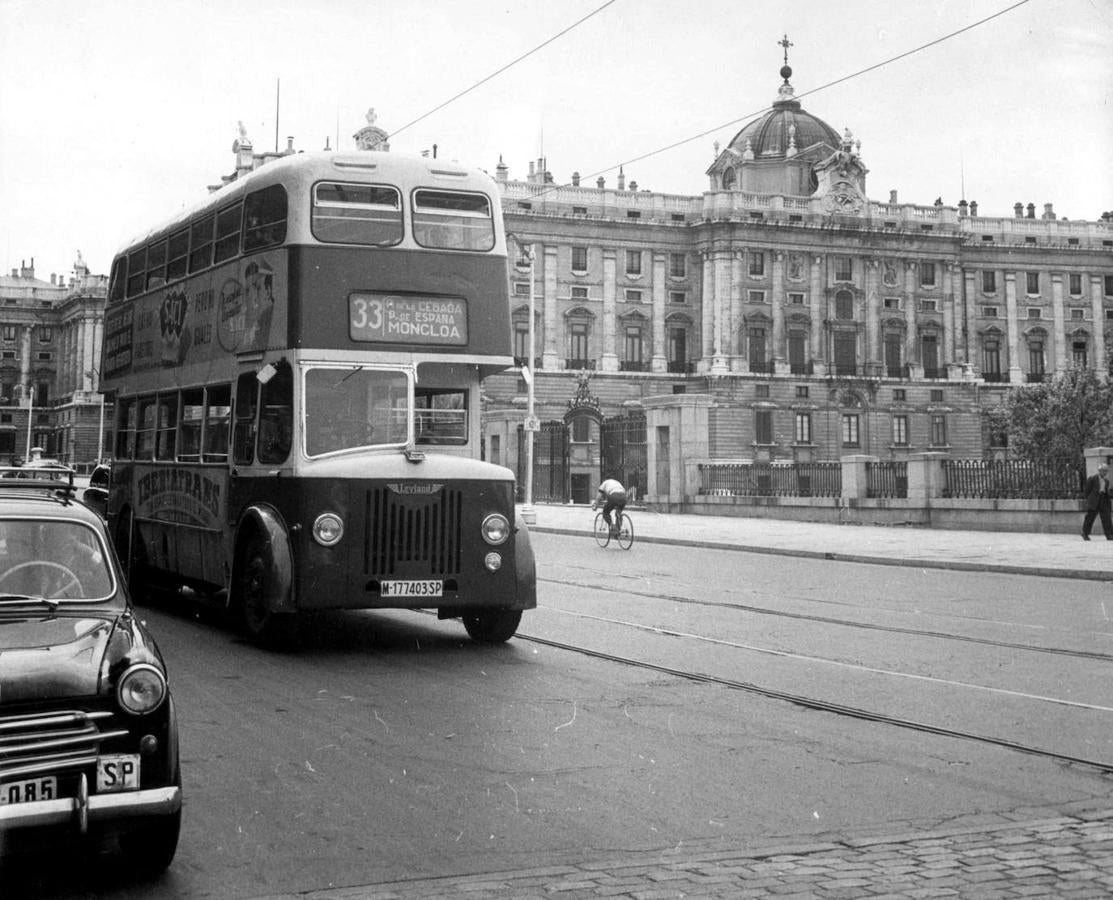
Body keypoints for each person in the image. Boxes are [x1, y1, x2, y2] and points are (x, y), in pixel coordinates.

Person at [1081, 463, 1112, 541]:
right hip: (1094, 501)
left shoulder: (1106, 481)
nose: (1104, 473)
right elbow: (1087, 491)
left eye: (1106, 471)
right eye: (1103, 471)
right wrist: (1088, 501)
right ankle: (1085, 533)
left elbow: (1106, 491)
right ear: (1099, 471)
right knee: (1090, 518)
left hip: (1103, 500)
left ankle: (1109, 534)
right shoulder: (1092, 478)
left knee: (1107, 518)